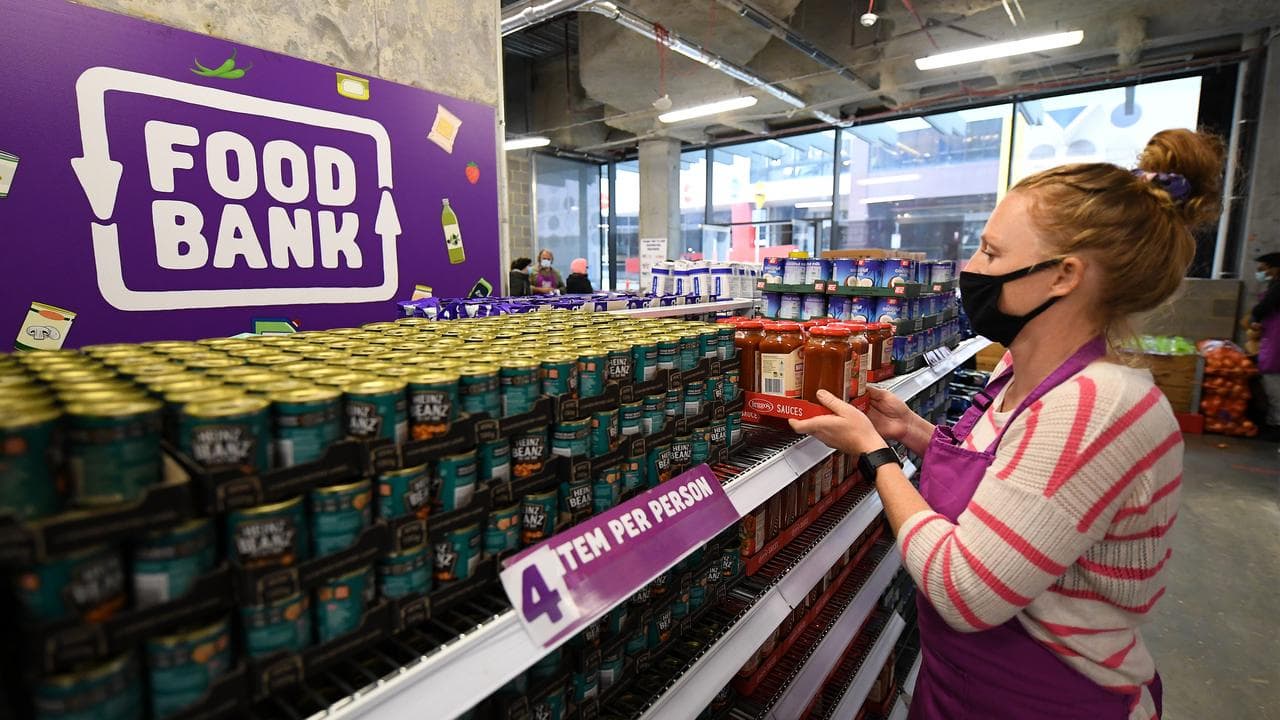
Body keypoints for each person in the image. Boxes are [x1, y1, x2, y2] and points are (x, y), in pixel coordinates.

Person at [792, 128, 1224, 720]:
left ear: (1063, 275)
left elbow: (964, 591)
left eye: (992, 254)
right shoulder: (1022, 370)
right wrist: (913, 431)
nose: (971, 268)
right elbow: (1012, 477)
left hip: (1048, 695)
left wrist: (875, 457)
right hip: (959, 685)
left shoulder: (1098, 407)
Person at [1250, 251, 1280, 434]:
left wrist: (1256, 317)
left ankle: (1276, 424)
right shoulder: (1275, 285)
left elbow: (1264, 307)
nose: (1261, 272)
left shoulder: (1277, 288)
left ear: (1275, 269)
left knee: (1274, 381)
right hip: (1272, 335)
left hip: (1276, 340)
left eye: (1264, 268)